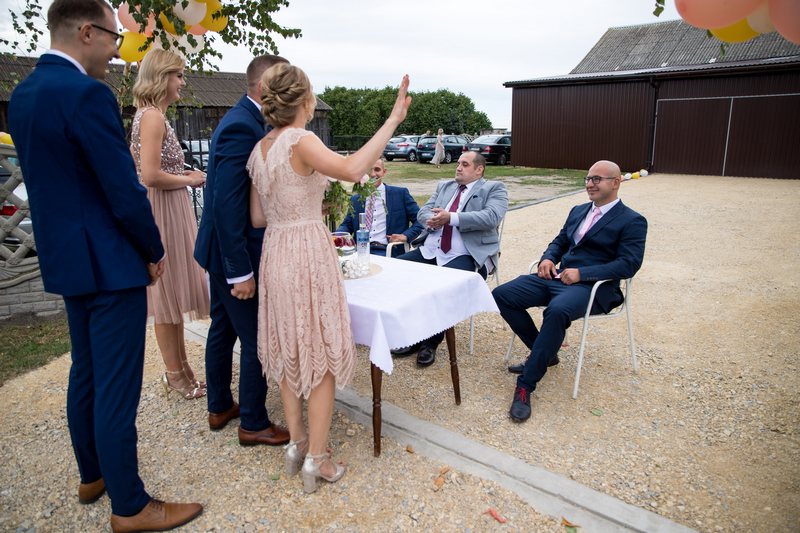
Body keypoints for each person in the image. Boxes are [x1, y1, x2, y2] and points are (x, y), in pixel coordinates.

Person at [7, 0, 202, 530]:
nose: (119, 50)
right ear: (87, 32)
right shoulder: (87, 94)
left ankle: (92, 475)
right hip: (110, 261)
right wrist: (153, 250)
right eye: (115, 37)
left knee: (86, 372)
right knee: (117, 385)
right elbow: (122, 188)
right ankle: (131, 506)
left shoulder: (24, 94)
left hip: (66, 259)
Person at [247, 63, 411, 493]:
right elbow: (354, 169)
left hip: (275, 252)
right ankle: (317, 460)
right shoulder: (301, 139)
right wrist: (392, 120)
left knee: (290, 346)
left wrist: (300, 204)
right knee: (318, 349)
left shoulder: (259, 149)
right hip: (305, 251)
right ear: (305, 101)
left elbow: (258, 216)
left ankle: (297, 444)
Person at [492, 160, 647, 423]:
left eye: (597, 179)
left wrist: (583, 273)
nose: (590, 184)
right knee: (502, 294)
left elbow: (628, 264)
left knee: (557, 311)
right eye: (588, 178)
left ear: (616, 182)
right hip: (558, 277)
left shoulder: (632, 220)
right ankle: (545, 353)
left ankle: (526, 384)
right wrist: (548, 258)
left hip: (593, 286)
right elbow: (561, 241)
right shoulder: (578, 210)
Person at [193, 55, 291, 445]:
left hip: (220, 252)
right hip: (233, 255)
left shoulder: (249, 120)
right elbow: (227, 203)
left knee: (223, 328)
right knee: (257, 338)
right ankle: (253, 422)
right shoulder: (241, 126)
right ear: (265, 87)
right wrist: (241, 271)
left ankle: (220, 405)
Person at [131, 48, 209, 400]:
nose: (182, 82)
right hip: (162, 208)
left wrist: (184, 176)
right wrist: (189, 179)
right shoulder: (151, 117)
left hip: (170, 205)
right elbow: (149, 174)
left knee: (174, 292)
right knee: (165, 295)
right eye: (178, 75)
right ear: (161, 77)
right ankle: (174, 375)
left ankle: (184, 369)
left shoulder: (152, 115)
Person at [392, 151, 508, 367]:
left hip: (467, 254)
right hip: (432, 250)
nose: (458, 167)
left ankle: (429, 343)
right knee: (396, 270)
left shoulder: (494, 188)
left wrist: (451, 218)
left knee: (442, 284)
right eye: (458, 163)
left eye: (465, 164)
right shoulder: (444, 186)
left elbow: (491, 217)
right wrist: (435, 219)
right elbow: (422, 212)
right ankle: (412, 333)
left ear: (479, 169)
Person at [335, 157, 424, 257]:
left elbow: (421, 220)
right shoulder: (356, 199)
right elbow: (347, 225)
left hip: (389, 250)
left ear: (384, 172)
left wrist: (405, 236)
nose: (373, 174)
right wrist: (336, 236)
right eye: (369, 170)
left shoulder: (400, 194)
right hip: (361, 250)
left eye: (377, 170)